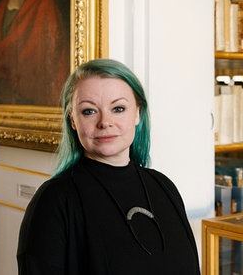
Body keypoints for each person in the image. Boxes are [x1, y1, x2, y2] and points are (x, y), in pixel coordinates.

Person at [17, 59, 200, 274]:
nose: (105, 122)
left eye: (118, 108)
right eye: (89, 111)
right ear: (73, 120)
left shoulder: (163, 186)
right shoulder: (54, 200)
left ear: (137, 114)